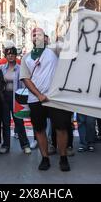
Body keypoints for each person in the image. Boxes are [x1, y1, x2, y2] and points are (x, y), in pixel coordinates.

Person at [20, 28, 72, 171]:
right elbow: (26, 79)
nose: (37, 37)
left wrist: (68, 32)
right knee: (39, 129)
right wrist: (39, 95)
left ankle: (63, 157)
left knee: (61, 128)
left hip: (55, 98)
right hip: (36, 100)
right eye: (34, 35)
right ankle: (45, 158)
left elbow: (66, 45)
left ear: (45, 38)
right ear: (31, 39)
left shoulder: (53, 51)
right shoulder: (27, 58)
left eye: (40, 35)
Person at [0, 46, 31, 154]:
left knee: (19, 121)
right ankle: (6, 145)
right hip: (4, 97)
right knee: (5, 122)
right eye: (8, 54)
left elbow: (24, 84)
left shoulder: (20, 67)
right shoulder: (1, 68)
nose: (11, 56)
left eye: (12, 54)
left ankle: (25, 144)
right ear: (6, 56)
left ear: (15, 55)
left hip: (17, 97)